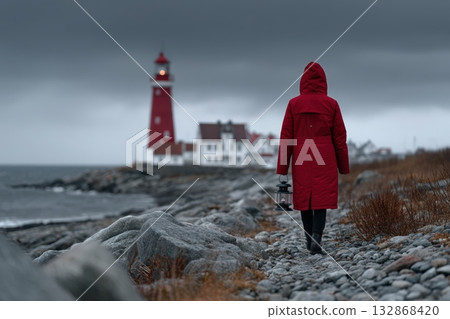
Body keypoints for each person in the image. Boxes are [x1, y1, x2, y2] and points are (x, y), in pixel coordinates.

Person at [276, 62, 349, 255]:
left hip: (301, 154)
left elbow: (286, 138)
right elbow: (340, 138)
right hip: (325, 155)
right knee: (321, 200)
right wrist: (343, 166)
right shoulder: (331, 104)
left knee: (304, 199)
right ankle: (317, 235)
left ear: (303, 81)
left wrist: (282, 169)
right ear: (323, 81)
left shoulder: (293, 104)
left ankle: (309, 239)